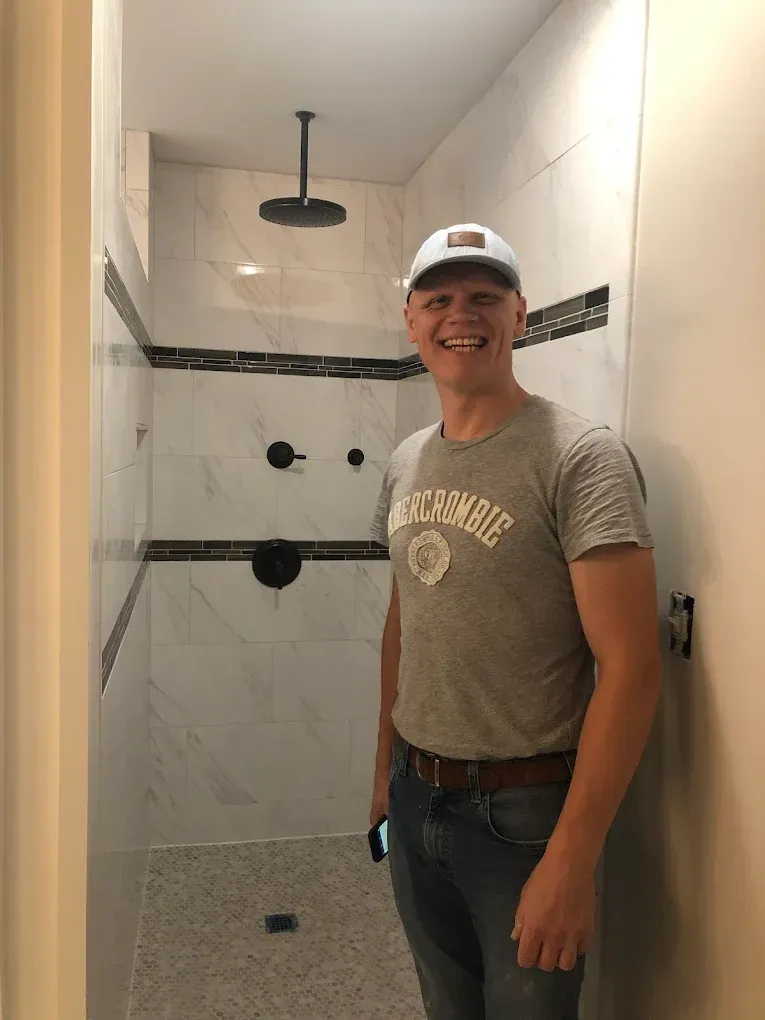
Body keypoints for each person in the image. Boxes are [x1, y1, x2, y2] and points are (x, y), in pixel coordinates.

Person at [369, 224, 661, 1020]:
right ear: (410, 321)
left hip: (524, 816)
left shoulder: (580, 457)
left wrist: (571, 860)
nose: (460, 315)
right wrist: (381, 781)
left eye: (483, 297)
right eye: (439, 299)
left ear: (519, 315)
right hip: (412, 790)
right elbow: (406, 623)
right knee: (445, 1007)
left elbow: (631, 669)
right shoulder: (403, 461)